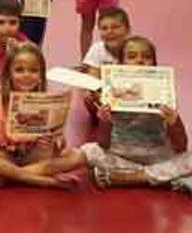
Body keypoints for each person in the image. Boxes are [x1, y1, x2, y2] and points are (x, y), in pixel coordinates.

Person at [82, 36, 192, 193]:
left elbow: (181, 146)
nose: (140, 61)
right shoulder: (111, 93)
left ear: (154, 65)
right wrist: (104, 121)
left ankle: (125, 178)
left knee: (189, 159)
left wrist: (175, 122)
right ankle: (160, 177)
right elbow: (103, 143)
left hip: (156, 154)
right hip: (120, 154)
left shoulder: (163, 93)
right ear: (120, 64)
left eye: (147, 57)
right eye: (132, 57)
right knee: (89, 151)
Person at [0, 43, 86, 189]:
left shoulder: (47, 98)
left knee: (79, 156)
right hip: (5, 155)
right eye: (19, 70)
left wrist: (55, 142)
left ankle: (9, 176)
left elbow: (59, 142)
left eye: (33, 70)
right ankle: (46, 181)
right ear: (9, 73)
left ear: (41, 74)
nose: (26, 75)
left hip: (36, 155)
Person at [80, 7, 131, 120]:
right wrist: (96, 94)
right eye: (104, 28)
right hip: (104, 94)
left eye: (116, 27)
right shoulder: (97, 49)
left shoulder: (134, 47)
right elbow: (93, 80)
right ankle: (100, 116)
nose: (109, 32)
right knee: (88, 95)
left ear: (128, 30)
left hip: (130, 92)